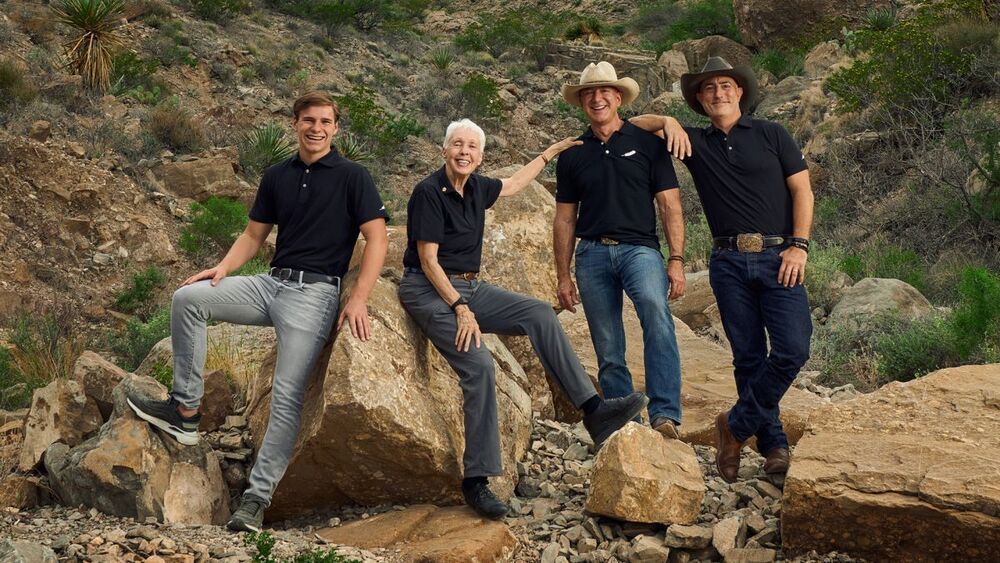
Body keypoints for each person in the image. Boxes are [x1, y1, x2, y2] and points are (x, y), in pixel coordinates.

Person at [127, 91, 389, 531]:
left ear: (335, 128)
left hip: (314, 295)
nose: (317, 128)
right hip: (270, 283)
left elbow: (377, 239)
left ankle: (255, 500)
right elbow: (253, 235)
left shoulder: (353, 176)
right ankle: (185, 411)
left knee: (286, 396)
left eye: (325, 121)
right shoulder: (277, 176)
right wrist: (223, 269)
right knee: (189, 299)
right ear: (295, 124)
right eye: (309, 120)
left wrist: (359, 296)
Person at [398, 118, 648, 520]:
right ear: (444, 150)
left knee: (538, 313)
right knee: (479, 364)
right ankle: (476, 480)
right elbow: (428, 260)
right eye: (457, 145)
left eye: (472, 147)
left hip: (470, 286)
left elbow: (514, 184)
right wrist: (460, 308)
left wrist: (549, 153)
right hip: (429, 289)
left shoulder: (477, 187)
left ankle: (593, 410)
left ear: (481, 157)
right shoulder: (428, 192)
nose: (464, 152)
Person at [632, 56, 814, 484]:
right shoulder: (694, 141)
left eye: (726, 85)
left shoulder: (772, 133)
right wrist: (667, 122)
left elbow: (803, 191)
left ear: (740, 91)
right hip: (728, 262)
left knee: (792, 349)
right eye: (709, 88)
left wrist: (799, 246)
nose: (718, 93)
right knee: (748, 356)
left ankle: (734, 426)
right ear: (700, 98)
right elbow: (632, 124)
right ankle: (773, 446)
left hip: (779, 256)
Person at [553, 61, 689, 439]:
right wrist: (562, 276)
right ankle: (624, 421)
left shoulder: (648, 143)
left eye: (604, 92)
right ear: (582, 101)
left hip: (640, 250)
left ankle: (665, 413)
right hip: (591, 254)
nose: (597, 99)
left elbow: (670, 206)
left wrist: (676, 260)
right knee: (607, 343)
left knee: (656, 315)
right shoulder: (573, 154)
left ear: (618, 97)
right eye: (589, 93)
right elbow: (565, 219)